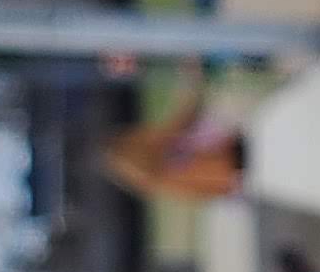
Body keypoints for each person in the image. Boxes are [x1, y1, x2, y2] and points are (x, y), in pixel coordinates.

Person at [102, 87, 247, 205]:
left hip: (231, 183)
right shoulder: (162, 149)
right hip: (234, 161)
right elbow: (189, 115)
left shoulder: (153, 180)